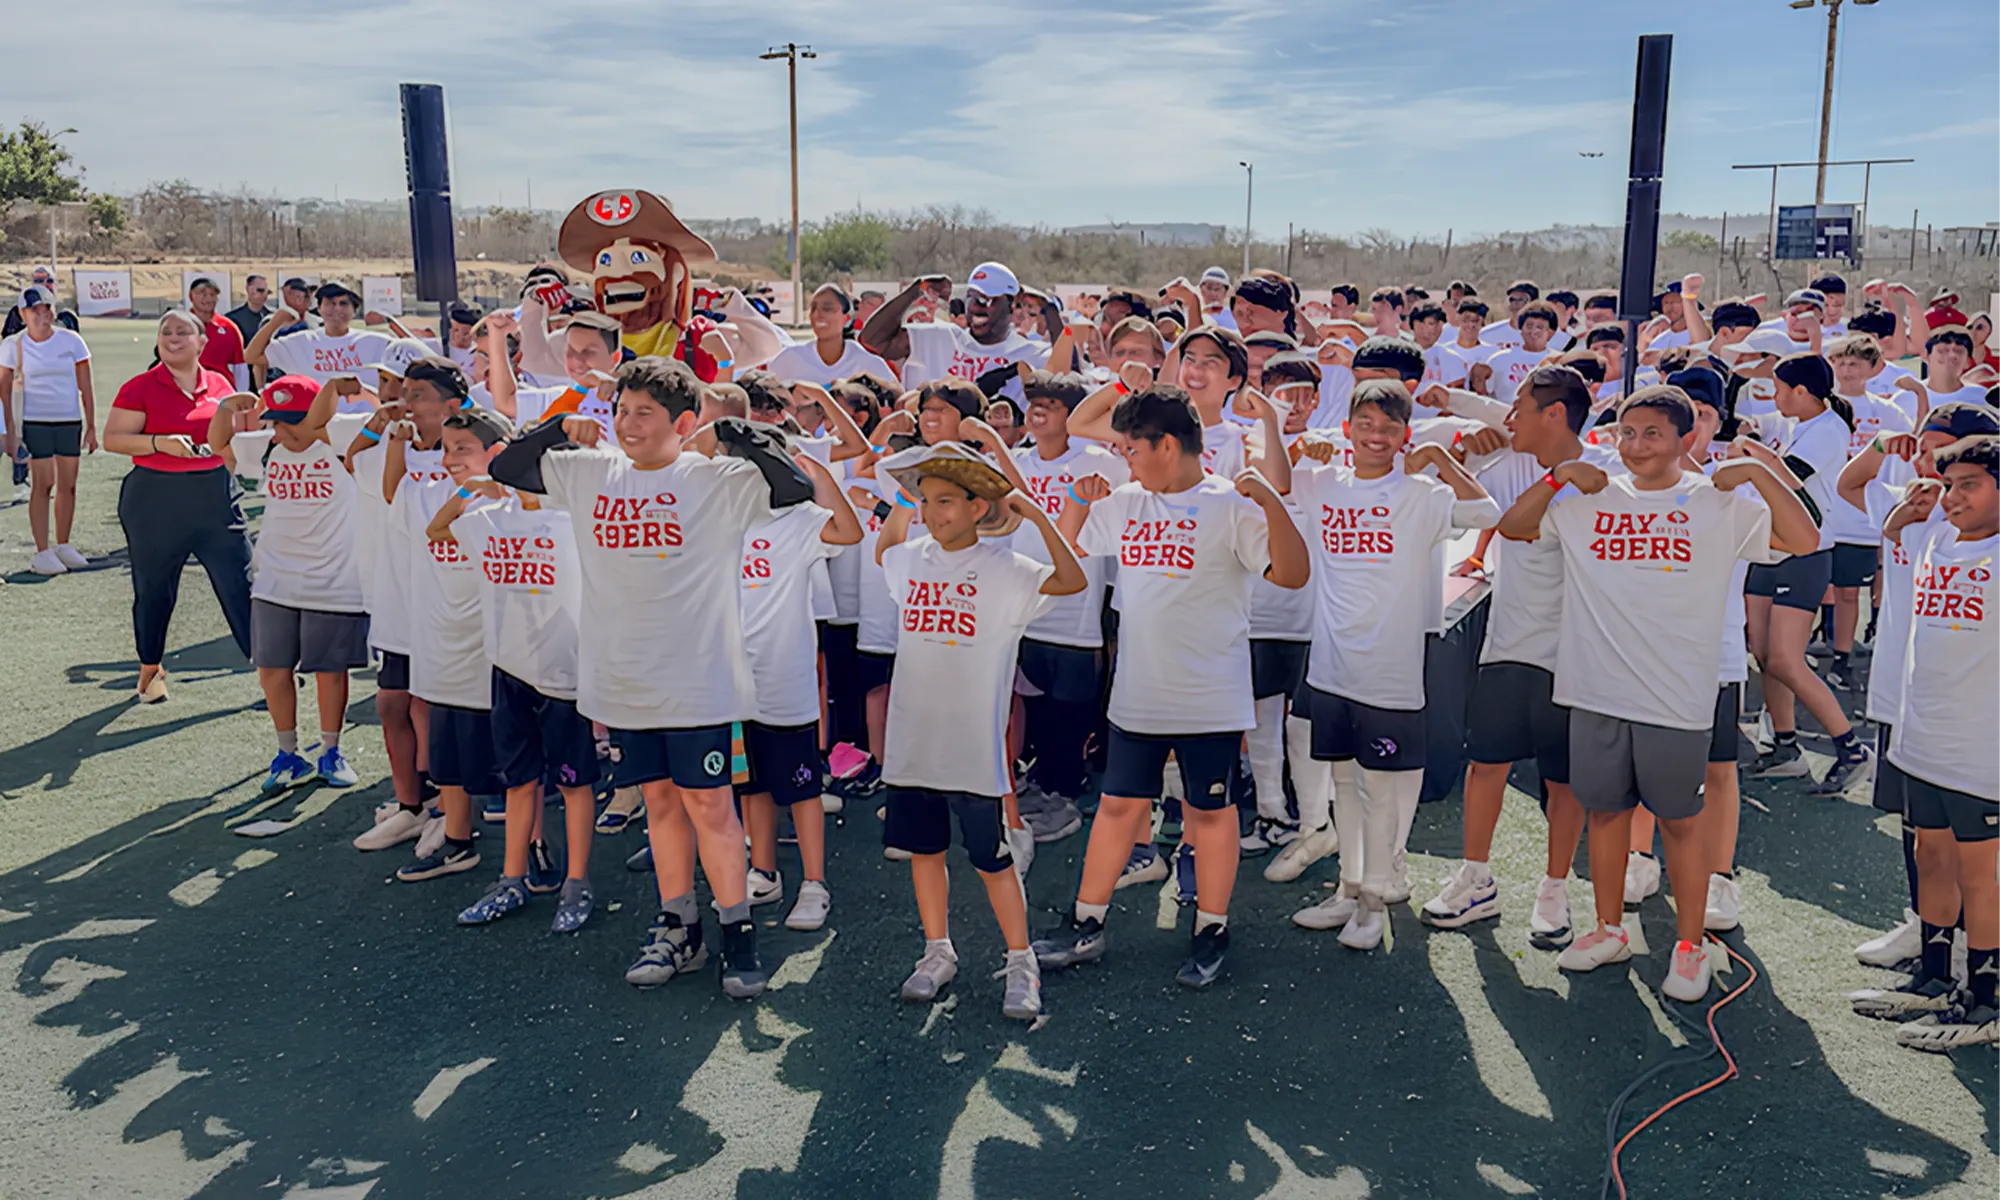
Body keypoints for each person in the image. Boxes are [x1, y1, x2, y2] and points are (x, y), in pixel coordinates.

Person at [488, 355, 816, 999]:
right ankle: (678, 926)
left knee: (711, 808)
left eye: (644, 413)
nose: (627, 424)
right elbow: (504, 467)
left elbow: (794, 487)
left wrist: (737, 435)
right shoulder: (589, 470)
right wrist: (559, 428)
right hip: (623, 681)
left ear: (684, 421)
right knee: (660, 805)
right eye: (621, 410)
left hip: (700, 682)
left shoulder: (717, 479)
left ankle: (738, 933)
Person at [1497, 385, 1817, 1001]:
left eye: (1653, 434)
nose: (1637, 445)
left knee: (1679, 824)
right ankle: (1609, 928)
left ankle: (1690, 944)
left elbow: (1803, 541)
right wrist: (1561, 475)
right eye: (1628, 433)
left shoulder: (1715, 502)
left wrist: (1757, 470)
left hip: (1676, 698)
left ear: (1685, 439)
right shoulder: (1590, 497)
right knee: (1607, 814)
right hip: (1596, 691)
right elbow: (1513, 527)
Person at [1033, 384, 1309, 990]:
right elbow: (1070, 560)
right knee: (1116, 808)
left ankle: (1212, 929)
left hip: (1210, 697)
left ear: (1165, 445)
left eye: (1131, 449)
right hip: (1137, 695)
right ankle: (1086, 920)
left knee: (1209, 815)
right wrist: (1078, 503)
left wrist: (1269, 502)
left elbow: (1291, 575)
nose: (1124, 460)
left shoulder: (1229, 503)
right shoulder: (1126, 501)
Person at [1285, 379, 1500, 948]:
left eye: (1389, 428)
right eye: (1366, 425)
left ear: (1405, 434)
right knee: (1343, 783)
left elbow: (1488, 511)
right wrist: (1298, 447)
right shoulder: (1323, 483)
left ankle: (1377, 901)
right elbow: (1262, 485)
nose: (1376, 437)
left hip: (1391, 675)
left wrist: (1444, 463)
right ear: (1349, 426)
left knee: (1379, 791)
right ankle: (1349, 889)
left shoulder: (1422, 494)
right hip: (1331, 669)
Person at [877, 442, 1088, 1018]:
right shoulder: (908, 558)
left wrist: (1038, 516)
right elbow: (885, 552)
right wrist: (900, 503)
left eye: (946, 501)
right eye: (926, 501)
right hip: (914, 742)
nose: (932, 512)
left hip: (974, 750)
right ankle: (936, 951)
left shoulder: (1007, 569)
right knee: (924, 852)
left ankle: (1021, 962)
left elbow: (1071, 581)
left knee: (992, 860)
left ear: (978, 508)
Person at [1421, 366, 1616, 946]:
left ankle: (1554, 890)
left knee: (1563, 783)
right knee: (1486, 766)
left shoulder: (1604, 470)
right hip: (1507, 644)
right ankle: (1475, 878)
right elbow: (1482, 462)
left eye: (1522, 409)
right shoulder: (1507, 460)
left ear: (1554, 415)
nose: (1510, 419)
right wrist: (1456, 430)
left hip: (1574, 655)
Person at [1837, 403, 2000, 972]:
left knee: (1977, 858)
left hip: (1974, 718)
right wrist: (1886, 449)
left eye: (1947, 449)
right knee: (1922, 836)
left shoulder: (1974, 521)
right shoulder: (1913, 506)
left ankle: (1973, 964)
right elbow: (1851, 487)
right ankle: (1928, 939)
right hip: (1905, 701)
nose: (1930, 458)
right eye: (1926, 446)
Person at [426, 415, 604, 931]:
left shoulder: (570, 518)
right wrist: (471, 492)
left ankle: (576, 881)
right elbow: (436, 531)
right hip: (509, 669)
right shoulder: (491, 518)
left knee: (574, 784)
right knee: (519, 782)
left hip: (565, 676)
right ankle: (511, 879)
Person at [1873, 435, 2000, 1051]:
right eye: (1950, 485)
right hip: (1922, 736)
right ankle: (1932, 975)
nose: (1953, 498)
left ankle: (1986, 1000)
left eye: (1969, 484)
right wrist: (1917, 501)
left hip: (1983, 751)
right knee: (1931, 858)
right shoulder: (1935, 535)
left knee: (1983, 876)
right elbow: (1894, 534)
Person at [208, 375, 366, 793]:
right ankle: (288, 754)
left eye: (291, 420)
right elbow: (217, 446)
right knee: (272, 671)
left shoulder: (342, 448)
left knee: (330, 673)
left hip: (334, 580)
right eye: (276, 420)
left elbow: (326, 420)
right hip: (275, 580)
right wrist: (226, 407)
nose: (282, 429)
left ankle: (331, 752)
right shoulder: (267, 450)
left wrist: (334, 387)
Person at [389, 400, 517, 886]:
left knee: (517, 773)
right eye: (446, 448)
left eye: (464, 448)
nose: (450, 458)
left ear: (497, 451)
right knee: (448, 767)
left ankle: (532, 856)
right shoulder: (429, 494)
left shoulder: (514, 507)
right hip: (440, 652)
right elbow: (422, 527)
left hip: (495, 659)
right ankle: (458, 845)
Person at [99, 311, 256, 703]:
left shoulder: (220, 383)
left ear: (202, 341)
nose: (173, 337)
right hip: (155, 500)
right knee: (154, 591)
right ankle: (151, 669)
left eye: (182, 331)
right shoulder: (140, 386)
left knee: (242, 584)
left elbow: (231, 441)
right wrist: (158, 442)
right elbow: (114, 439)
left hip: (215, 497)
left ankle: (268, 667)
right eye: (165, 331)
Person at [737, 448, 863, 932]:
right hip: (732, 680)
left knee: (802, 786)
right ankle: (763, 871)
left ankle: (815, 883)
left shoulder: (795, 521)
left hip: (786, 680)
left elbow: (848, 532)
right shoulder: (716, 524)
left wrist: (822, 474)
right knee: (752, 785)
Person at [348, 358, 468, 854]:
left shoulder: (466, 461)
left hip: (443, 610)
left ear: (451, 407)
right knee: (391, 704)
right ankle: (411, 807)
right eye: (404, 392)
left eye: (418, 395)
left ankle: (448, 810)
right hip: (398, 605)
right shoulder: (398, 450)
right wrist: (392, 434)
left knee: (429, 710)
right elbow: (382, 483)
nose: (406, 402)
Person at [1741, 353, 1875, 795]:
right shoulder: (1803, 425)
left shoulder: (1828, 429)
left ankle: (1851, 748)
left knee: (1784, 659)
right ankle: (1786, 747)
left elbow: (1791, 479)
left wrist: (1750, 452)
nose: (1775, 396)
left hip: (1806, 551)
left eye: (1780, 388)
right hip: (1770, 549)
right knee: (1763, 654)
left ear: (1801, 391)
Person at [1005, 370, 1130, 839]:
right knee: (1033, 710)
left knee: (1072, 713)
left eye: (1051, 405)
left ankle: (1068, 794)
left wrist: (1117, 389)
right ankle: (1041, 785)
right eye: (1033, 402)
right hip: (1023, 610)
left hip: (1077, 616)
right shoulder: (1015, 460)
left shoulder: (1098, 461)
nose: (1037, 410)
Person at [1, 285, 96, 575]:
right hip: (35, 422)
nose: (42, 316)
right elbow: (4, 391)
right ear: (22, 314)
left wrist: (91, 425)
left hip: (68, 420)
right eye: (34, 311)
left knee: (68, 485)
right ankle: (42, 550)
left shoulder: (71, 341)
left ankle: (63, 544)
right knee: (44, 484)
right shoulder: (12, 345)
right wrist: (10, 432)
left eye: (47, 309)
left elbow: (85, 386)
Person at [859, 264, 1054, 397]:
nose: (976, 306)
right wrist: (916, 289)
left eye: (988, 300)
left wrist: (1052, 314)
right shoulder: (939, 337)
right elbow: (872, 341)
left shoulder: (1033, 354)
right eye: (971, 297)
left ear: (1013, 306)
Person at [245, 281, 391, 393]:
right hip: (313, 425)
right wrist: (275, 323)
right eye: (330, 303)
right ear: (319, 309)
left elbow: (411, 362)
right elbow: (252, 356)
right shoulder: (301, 342)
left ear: (354, 311)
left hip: (365, 424)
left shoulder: (375, 342)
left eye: (343, 303)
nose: (337, 309)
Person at [764, 284, 897, 387]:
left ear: (847, 318)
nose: (818, 314)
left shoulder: (867, 362)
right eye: (814, 308)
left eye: (827, 309)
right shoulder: (790, 358)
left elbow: (897, 395)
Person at [187, 276, 247, 389]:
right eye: (202, 294)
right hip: (188, 390)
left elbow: (240, 366)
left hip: (221, 391)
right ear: (191, 296)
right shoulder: (180, 325)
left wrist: (241, 396)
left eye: (212, 295)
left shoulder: (230, 328)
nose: (208, 299)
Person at [226, 275, 272, 345]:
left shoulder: (273, 317)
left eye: (268, 292)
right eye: (260, 290)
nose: (265, 294)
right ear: (249, 289)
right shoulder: (232, 319)